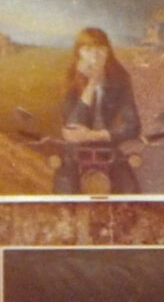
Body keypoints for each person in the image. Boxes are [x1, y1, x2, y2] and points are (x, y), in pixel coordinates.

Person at [53, 27, 142, 194]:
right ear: (78, 53)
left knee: (129, 191)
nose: (94, 56)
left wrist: (96, 135)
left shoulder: (120, 79)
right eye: (88, 50)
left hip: (109, 149)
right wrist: (91, 85)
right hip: (75, 153)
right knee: (64, 193)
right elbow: (72, 126)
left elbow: (133, 125)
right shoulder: (69, 78)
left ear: (108, 52)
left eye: (100, 50)